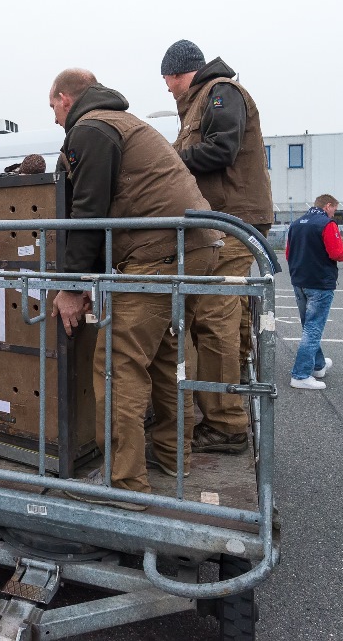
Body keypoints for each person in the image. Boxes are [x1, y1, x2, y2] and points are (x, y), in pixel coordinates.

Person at [47, 69, 222, 509]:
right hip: (192, 245)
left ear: (65, 98)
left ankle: (124, 486)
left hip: (159, 251)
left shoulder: (91, 129)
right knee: (164, 355)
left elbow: (90, 211)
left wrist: (69, 286)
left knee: (117, 363)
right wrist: (92, 278)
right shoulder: (124, 122)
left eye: (52, 107)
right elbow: (118, 207)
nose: (53, 118)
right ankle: (172, 457)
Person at [161, 39, 275, 454]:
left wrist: (167, 163)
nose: (168, 90)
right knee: (225, 313)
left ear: (176, 73)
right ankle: (229, 407)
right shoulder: (206, 98)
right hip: (224, 222)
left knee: (213, 317)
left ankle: (226, 425)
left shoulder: (220, 92)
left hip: (232, 222)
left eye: (167, 81)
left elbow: (222, 149)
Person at [286, 194, 343, 390]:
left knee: (309, 326)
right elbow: (337, 253)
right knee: (313, 328)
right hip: (319, 282)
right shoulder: (327, 224)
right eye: (334, 209)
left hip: (299, 280)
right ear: (328, 206)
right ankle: (300, 375)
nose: (334, 214)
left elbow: (288, 253)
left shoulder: (295, 224)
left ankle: (318, 365)